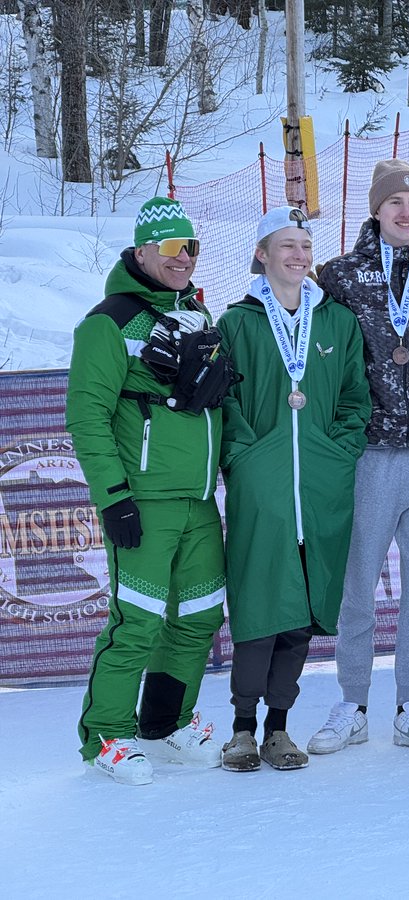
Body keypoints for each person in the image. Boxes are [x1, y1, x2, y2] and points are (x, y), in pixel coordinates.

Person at [67, 197, 236, 784]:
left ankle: (166, 722)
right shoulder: (109, 321)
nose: (182, 258)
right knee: (136, 621)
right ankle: (106, 737)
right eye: (169, 248)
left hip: (197, 499)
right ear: (141, 252)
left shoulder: (197, 314)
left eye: (190, 247)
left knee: (198, 616)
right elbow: (87, 416)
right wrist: (113, 497)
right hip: (143, 500)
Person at [306, 160, 409, 755]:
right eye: (394, 202)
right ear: (376, 208)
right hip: (369, 450)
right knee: (358, 582)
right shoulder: (340, 274)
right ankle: (352, 702)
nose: (404, 212)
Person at [216, 208, 370, 772]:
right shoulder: (236, 323)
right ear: (262, 253)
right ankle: (240, 729)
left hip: (321, 486)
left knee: (302, 611)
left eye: (306, 245)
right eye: (287, 245)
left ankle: (278, 728)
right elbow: (224, 402)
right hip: (265, 484)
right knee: (260, 605)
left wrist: (338, 450)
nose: (299, 255)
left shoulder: (336, 322)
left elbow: (356, 396)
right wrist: (247, 455)